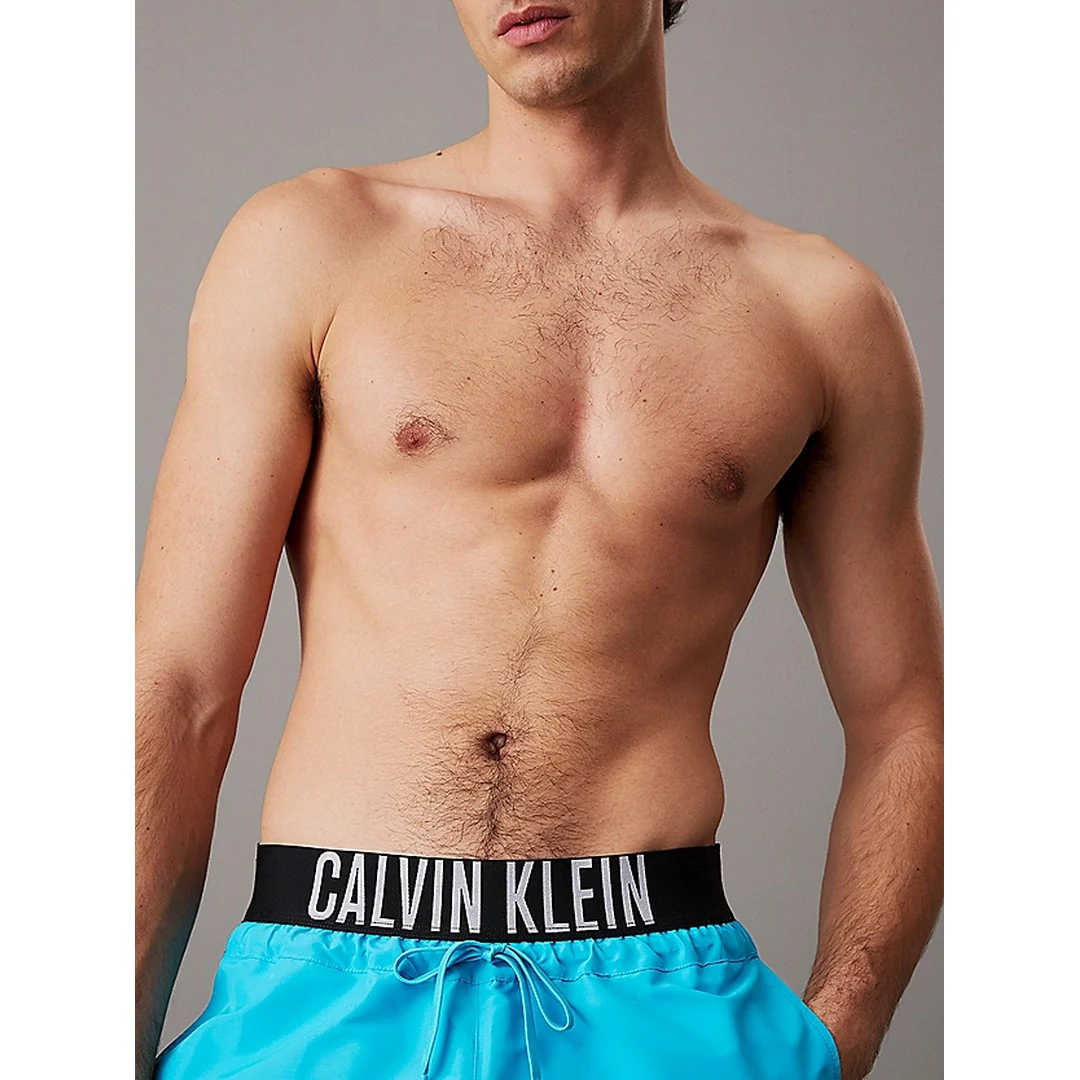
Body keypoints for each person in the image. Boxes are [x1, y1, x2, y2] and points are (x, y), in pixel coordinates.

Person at [135, 2, 944, 1078]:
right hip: (329, 983)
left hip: (663, 1001)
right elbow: (180, 688)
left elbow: (907, 720)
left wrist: (839, 1034)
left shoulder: (821, 310)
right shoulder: (316, 241)